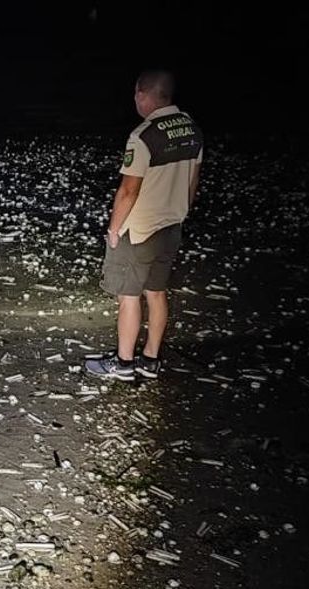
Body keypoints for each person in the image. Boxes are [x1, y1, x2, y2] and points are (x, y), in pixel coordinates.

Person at [85, 69, 203, 381]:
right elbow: (193, 180)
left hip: (140, 230)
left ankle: (123, 363)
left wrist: (114, 229)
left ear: (142, 93)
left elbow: (128, 190)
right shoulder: (191, 128)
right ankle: (150, 359)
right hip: (171, 226)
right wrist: (182, 212)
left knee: (129, 295)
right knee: (157, 292)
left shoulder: (143, 136)